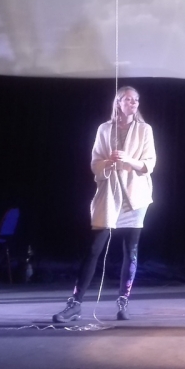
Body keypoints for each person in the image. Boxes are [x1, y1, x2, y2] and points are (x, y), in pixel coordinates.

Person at [53, 86, 156, 323]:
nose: (133, 103)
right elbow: (95, 163)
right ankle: (75, 304)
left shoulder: (145, 129)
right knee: (93, 249)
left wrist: (128, 159)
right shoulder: (104, 129)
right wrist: (108, 162)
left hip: (135, 197)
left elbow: (149, 164)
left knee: (130, 251)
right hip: (109, 196)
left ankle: (123, 302)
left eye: (136, 100)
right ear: (118, 102)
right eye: (128, 99)